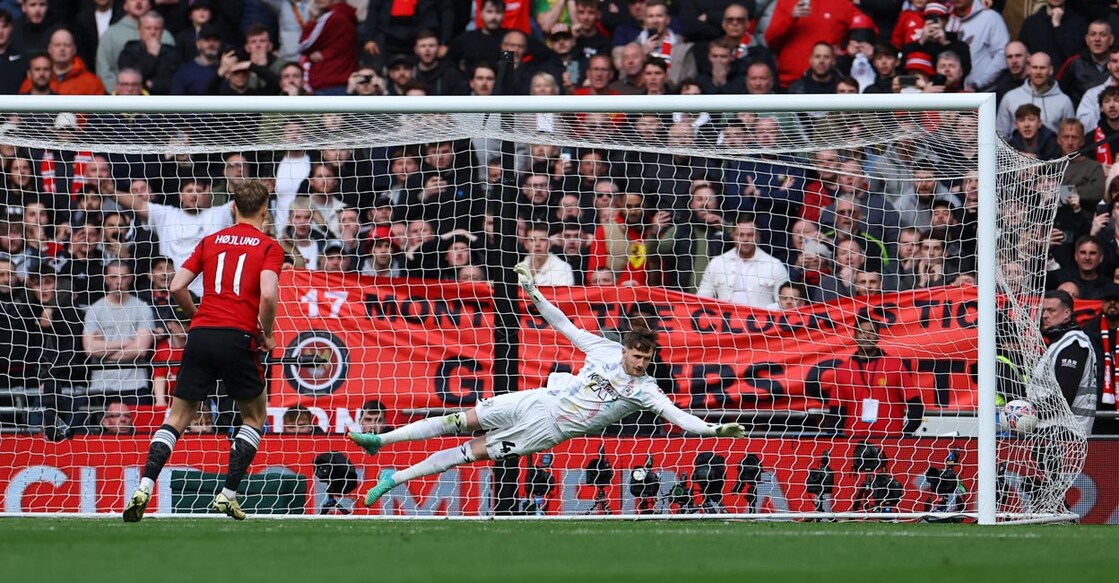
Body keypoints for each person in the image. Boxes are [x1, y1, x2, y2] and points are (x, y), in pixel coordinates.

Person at [348, 263, 747, 507]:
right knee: (458, 420)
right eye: (636, 355)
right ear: (626, 349)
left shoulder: (646, 391)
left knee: (467, 453)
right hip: (537, 399)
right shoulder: (604, 350)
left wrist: (713, 429)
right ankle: (380, 441)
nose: (640, 362)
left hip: (547, 430)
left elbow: (680, 417)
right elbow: (564, 324)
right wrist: (533, 293)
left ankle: (392, 479)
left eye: (646, 359)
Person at [123, 181, 284, 522]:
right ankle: (227, 495)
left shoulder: (210, 241)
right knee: (253, 417)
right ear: (265, 209)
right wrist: (266, 335)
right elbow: (268, 296)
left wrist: (197, 317)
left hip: (201, 335)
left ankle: (145, 486)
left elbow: (176, 286)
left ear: (232, 208)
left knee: (177, 417)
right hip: (238, 336)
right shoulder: (270, 246)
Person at [822, 317, 925, 437]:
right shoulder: (843, 370)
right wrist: (836, 443)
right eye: (862, 332)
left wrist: (903, 435)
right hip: (853, 441)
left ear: (878, 336)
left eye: (871, 332)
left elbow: (916, 406)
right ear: (854, 335)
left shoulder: (894, 365)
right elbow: (836, 412)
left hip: (890, 441)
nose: (866, 336)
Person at [1030, 290, 1097, 436]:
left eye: (1051, 310)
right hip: (1053, 430)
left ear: (1067, 313)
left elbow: (1064, 395)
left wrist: (1030, 413)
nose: (1045, 316)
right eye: (1043, 311)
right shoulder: (1061, 342)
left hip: (1064, 432)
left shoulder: (1073, 344)